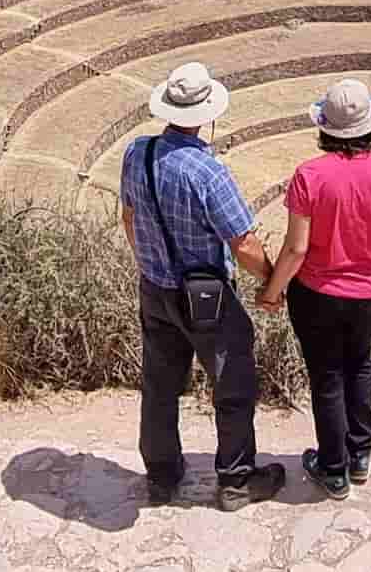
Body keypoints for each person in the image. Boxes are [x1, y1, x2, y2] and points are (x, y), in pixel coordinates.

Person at [121, 61, 287, 512]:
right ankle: (235, 480)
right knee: (232, 383)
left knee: (159, 384)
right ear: (207, 115)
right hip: (206, 297)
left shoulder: (137, 153)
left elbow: (129, 219)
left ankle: (161, 476)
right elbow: (245, 243)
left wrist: (152, 267)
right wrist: (273, 281)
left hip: (155, 289)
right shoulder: (206, 172)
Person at [259, 78, 371, 500]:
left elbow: (296, 248)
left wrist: (272, 292)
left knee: (326, 377)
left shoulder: (309, 176)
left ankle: (334, 469)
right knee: (359, 364)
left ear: (325, 128)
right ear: (369, 126)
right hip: (370, 292)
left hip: (318, 294)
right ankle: (360, 454)